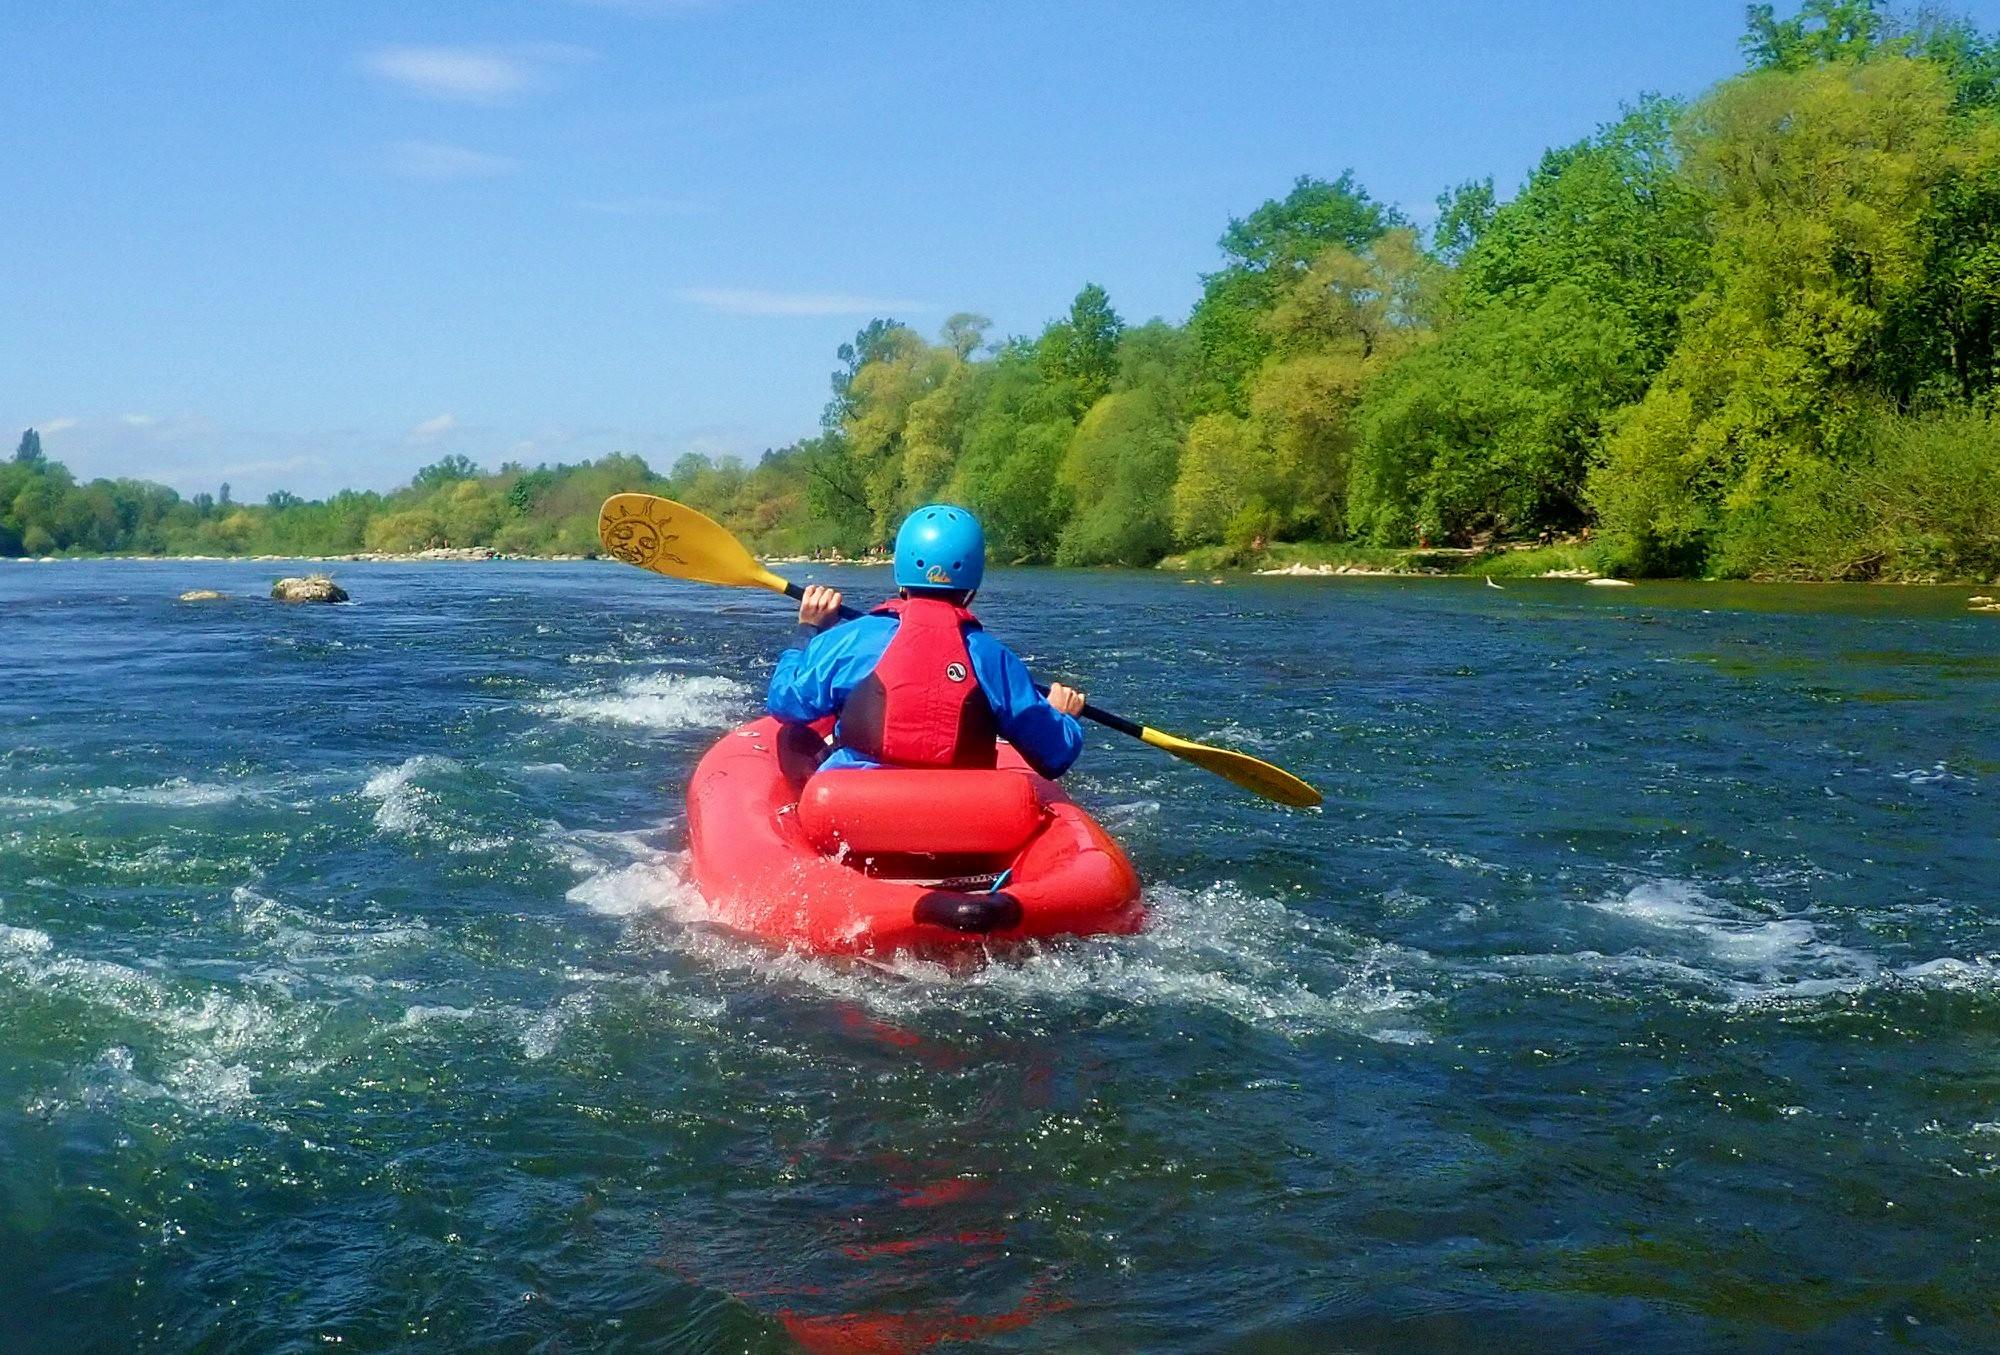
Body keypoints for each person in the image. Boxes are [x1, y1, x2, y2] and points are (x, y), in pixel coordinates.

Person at [766, 504, 1088, 779]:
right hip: (961, 827)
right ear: (972, 589)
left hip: (856, 814)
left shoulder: (849, 639)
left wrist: (808, 630)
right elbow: (1055, 755)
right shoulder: (995, 659)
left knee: (791, 736)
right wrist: (1062, 717)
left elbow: (784, 703)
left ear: (900, 575)